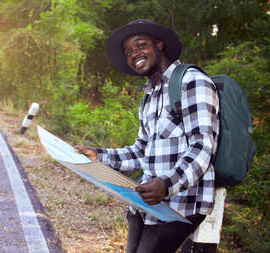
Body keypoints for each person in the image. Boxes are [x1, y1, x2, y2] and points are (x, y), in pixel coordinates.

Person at [75, 19, 220, 253]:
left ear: (159, 45)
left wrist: (166, 184)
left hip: (180, 205)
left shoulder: (191, 81)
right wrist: (98, 156)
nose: (134, 54)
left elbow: (202, 146)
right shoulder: (148, 98)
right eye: (128, 52)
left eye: (141, 45)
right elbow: (140, 152)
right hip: (144, 206)